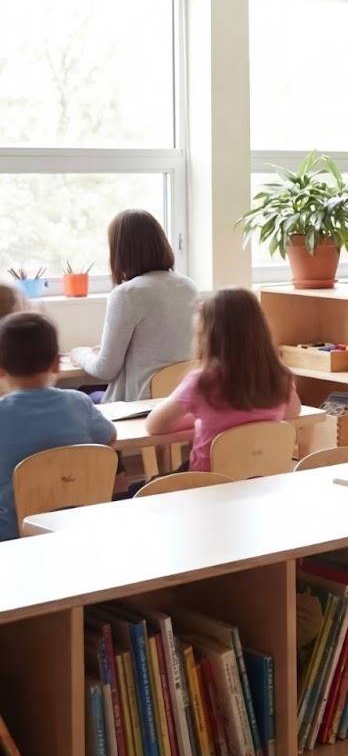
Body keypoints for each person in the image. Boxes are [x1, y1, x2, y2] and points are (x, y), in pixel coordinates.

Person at [145, 288, 301, 473]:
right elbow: (293, 412)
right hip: (263, 481)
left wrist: (198, 417)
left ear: (208, 335)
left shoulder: (201, 382)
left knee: (151, 487)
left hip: (211, 484)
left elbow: (155, 425)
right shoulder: (279, 375)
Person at [0, 312, 117, 540]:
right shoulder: (79, 402)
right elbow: (109, 439)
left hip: (13, 537)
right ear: (56, 363)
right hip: (81, 526)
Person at [70, 210, 199, 402]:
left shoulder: (127, 294)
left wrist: (80, 354)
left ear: (120, 251)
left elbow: (105, 369)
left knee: (81, 395)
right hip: (180, 401)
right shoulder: (188, 286)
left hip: (139, 404)